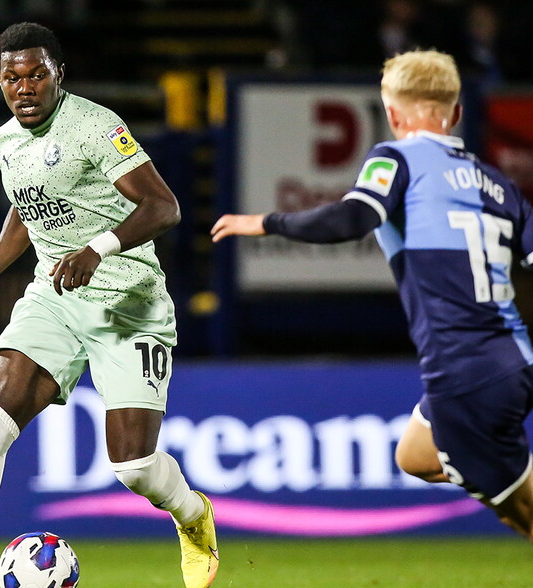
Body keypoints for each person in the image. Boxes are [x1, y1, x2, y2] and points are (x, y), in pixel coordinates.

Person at [0, 22, 218, 588]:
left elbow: (164, 206)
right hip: (52, 297)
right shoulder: (6, 142)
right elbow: (29, 211)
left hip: (128, 302)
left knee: (133, 464)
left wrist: (97, 248)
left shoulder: (96, 127)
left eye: (36, 75)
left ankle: (193, 513)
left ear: (57, 75)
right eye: (12, 78)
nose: (24, 88)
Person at [211, 49, 533, 541]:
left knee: (522, 512)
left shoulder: (396, 158)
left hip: (464, 364)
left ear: (393, 114)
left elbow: (354, 217)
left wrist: (265, 222)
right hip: (509, 355)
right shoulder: (500, 185)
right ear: (458, 113)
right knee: (417, 455)